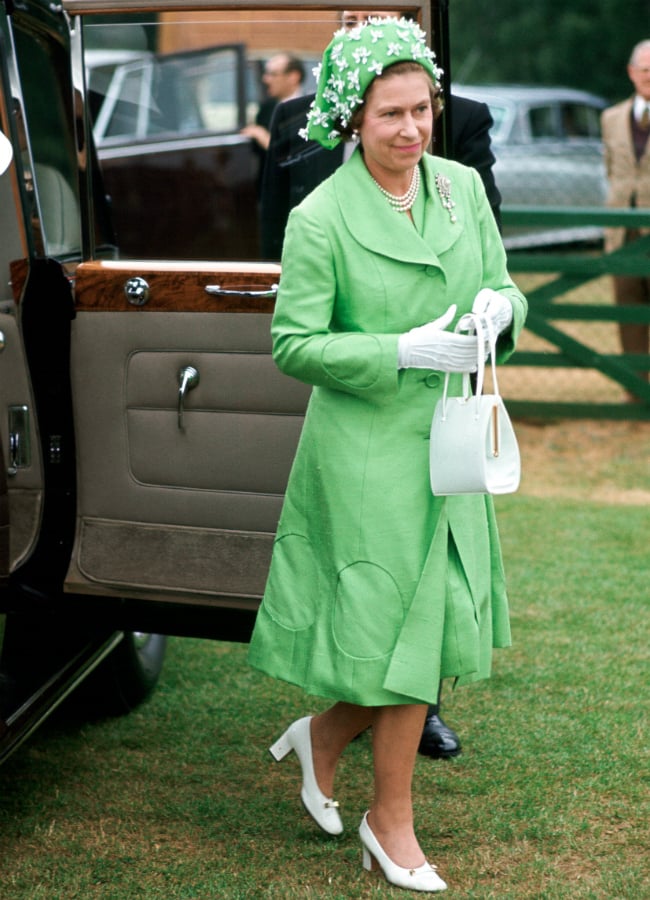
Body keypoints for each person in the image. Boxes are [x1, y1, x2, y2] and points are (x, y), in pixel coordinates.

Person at [247, 17, 527, 893]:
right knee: (403, 630)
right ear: (350, 121)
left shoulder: (459, 189)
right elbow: (293, 345)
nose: (410, 131)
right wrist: (400, 351)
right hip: (365, 451)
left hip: (449, 440)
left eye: (422, 111)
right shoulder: (320, 216)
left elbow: (507, 285)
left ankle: (325, 736)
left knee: (430, 622)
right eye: (389, 116)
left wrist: (496, 318)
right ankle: (388, 820)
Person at [601, 38, 650, 400]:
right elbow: (611, 171)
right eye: (645, 69)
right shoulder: (611, 118)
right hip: (624, 234)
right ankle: (635, 389)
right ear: (632, 73)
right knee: (629, 312)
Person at [241, 53, 306, 151]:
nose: (265, 79)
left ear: (293, 77)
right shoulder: (267, 108)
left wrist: (263, 137)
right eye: (266, 74)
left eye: (273, 74)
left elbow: (296, 152)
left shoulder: (309, 109)